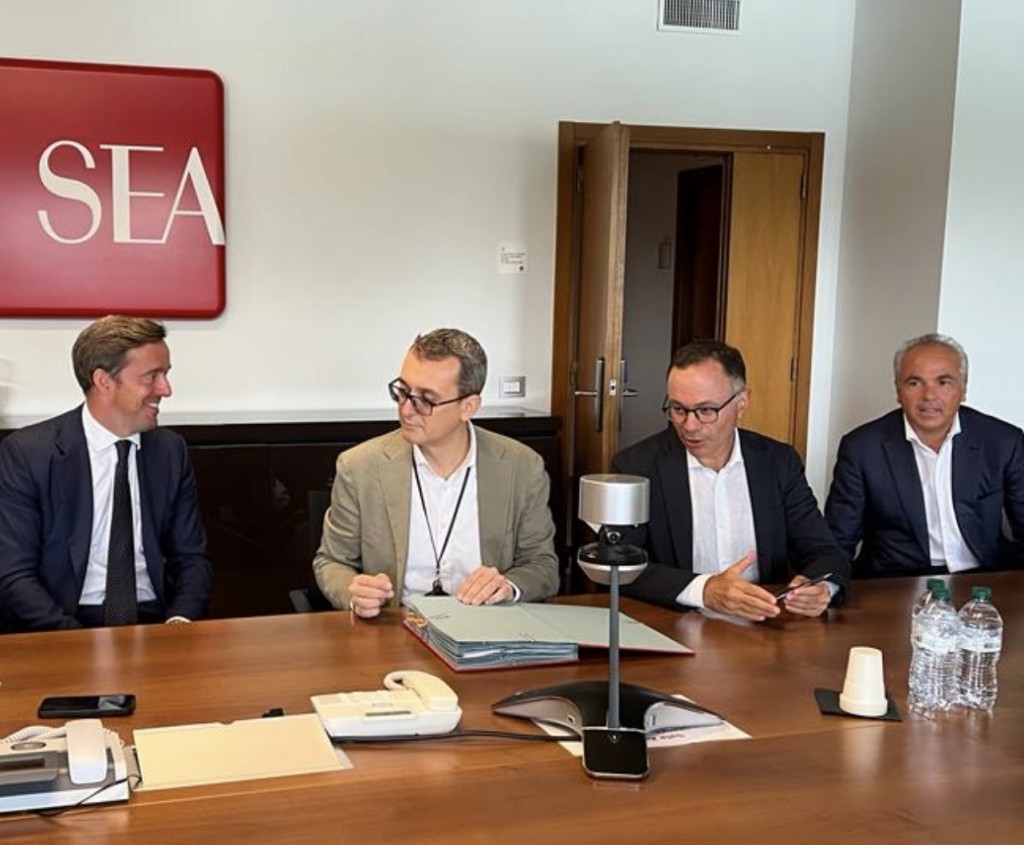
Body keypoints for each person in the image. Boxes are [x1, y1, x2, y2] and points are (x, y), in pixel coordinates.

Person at [313, 328, 559, 618]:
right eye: (402, 392)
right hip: (396, 625)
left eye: (426, 399)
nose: (406, 410)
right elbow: (331, 561)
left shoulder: (522, 467)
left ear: (468, 407)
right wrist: (354, 593)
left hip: (487, 623)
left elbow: (543, 566)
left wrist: (508, 585)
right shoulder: (359, 467)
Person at [612, 339, 849, 621]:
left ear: (742, 403)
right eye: (678, 409)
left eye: (706, 410)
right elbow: (617, 563)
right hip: (675, 623)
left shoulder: (778, 462)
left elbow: (825, 551)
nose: (689, 425)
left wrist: (821, 588)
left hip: (764, 623)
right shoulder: (636, 466)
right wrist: (704, 590)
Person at [0, 315, 211, 632]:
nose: (165, 389)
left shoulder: (170, 451)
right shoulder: (29, 453)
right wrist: (76, 641)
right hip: (62, 623)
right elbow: (13, 574)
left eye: (165, 374)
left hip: (155, 621)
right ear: (103, 381)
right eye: (151, 376)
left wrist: (179, 623)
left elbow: (192, 558)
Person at [825, 333, 1024, 577]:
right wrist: (827, 585)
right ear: (898, 391)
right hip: (895, 580)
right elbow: (837, 540)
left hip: (983, 578)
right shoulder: (862, 448)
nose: (929, 395)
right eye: (914, 383)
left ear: (963, 389)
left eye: (943, 382)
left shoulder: (1003, 441)